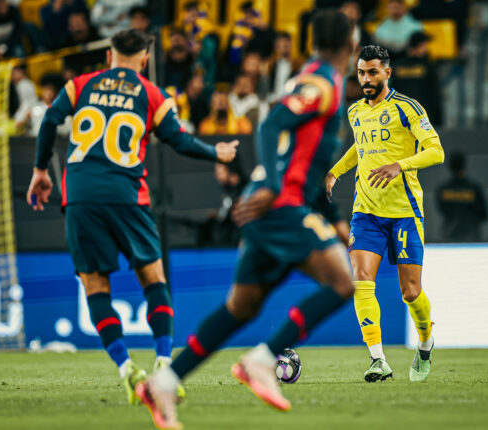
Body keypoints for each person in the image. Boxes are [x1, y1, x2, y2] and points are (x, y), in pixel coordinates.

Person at [135, 10, 355, 429]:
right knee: (342, 283)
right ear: (350, 44)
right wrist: (271, 184)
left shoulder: (311, 76)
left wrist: (332, 215)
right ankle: (264, 359)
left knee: (242, 306)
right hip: (279, 205)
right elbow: (271, 123)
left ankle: (164, 383)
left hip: (276, 204)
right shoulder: (325, 83)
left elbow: (306, 159)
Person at [26, 29, 239, 406]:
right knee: (154, 279)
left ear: (108, 56)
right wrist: (216, 152)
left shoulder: (80, 84)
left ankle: (126, 369)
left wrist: (41, 170)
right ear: (145, 59)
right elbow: (178, 140)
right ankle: (164, 368)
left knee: (95, 285)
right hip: (127, 195)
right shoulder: (152, 94)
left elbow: (48, 121)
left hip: (80, 197)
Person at [327, 45, 444, 383]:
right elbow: (360, 147)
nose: (366, 79)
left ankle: (425, 342)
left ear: (387, 73)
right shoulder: (355, 111)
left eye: (372, 72)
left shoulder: (407, 108)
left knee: (411, 292)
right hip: (366, 212)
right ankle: (378, 359)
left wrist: (399, 165)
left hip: (404, 212)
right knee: (361, 281)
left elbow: (436, 151)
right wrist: (335, 172)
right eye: (361, 73)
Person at [392, 31, 443, 127]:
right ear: (415, 47)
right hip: (423, 118)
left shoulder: (397, 66)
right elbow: (434, 95)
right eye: (423, 46)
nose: (426, 49)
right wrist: (438, 121)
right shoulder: (427, 66)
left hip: (402, 117)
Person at [435, 151, 488, 242]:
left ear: (450, 167)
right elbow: (484, 214)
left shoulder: (443, 190)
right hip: (472, 240)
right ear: (464, 166)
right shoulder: (474, 189)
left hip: (449, 238)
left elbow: (442, 211)